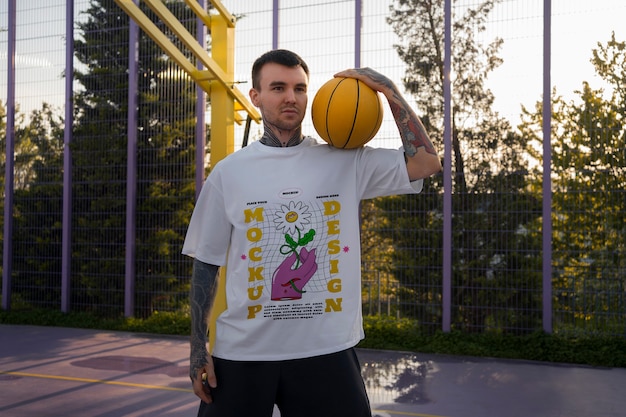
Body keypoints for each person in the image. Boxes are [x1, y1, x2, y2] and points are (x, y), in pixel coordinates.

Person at [182, 49, 441, 417]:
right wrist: (197, 350)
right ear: (255, 96)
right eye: (278, 87)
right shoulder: (228, 173)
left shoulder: (346, 159)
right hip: (243, 352)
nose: (291, 97)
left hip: (327, 350)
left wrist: (390, 92)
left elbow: (426, 162)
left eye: (299, 88)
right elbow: (206, 263)